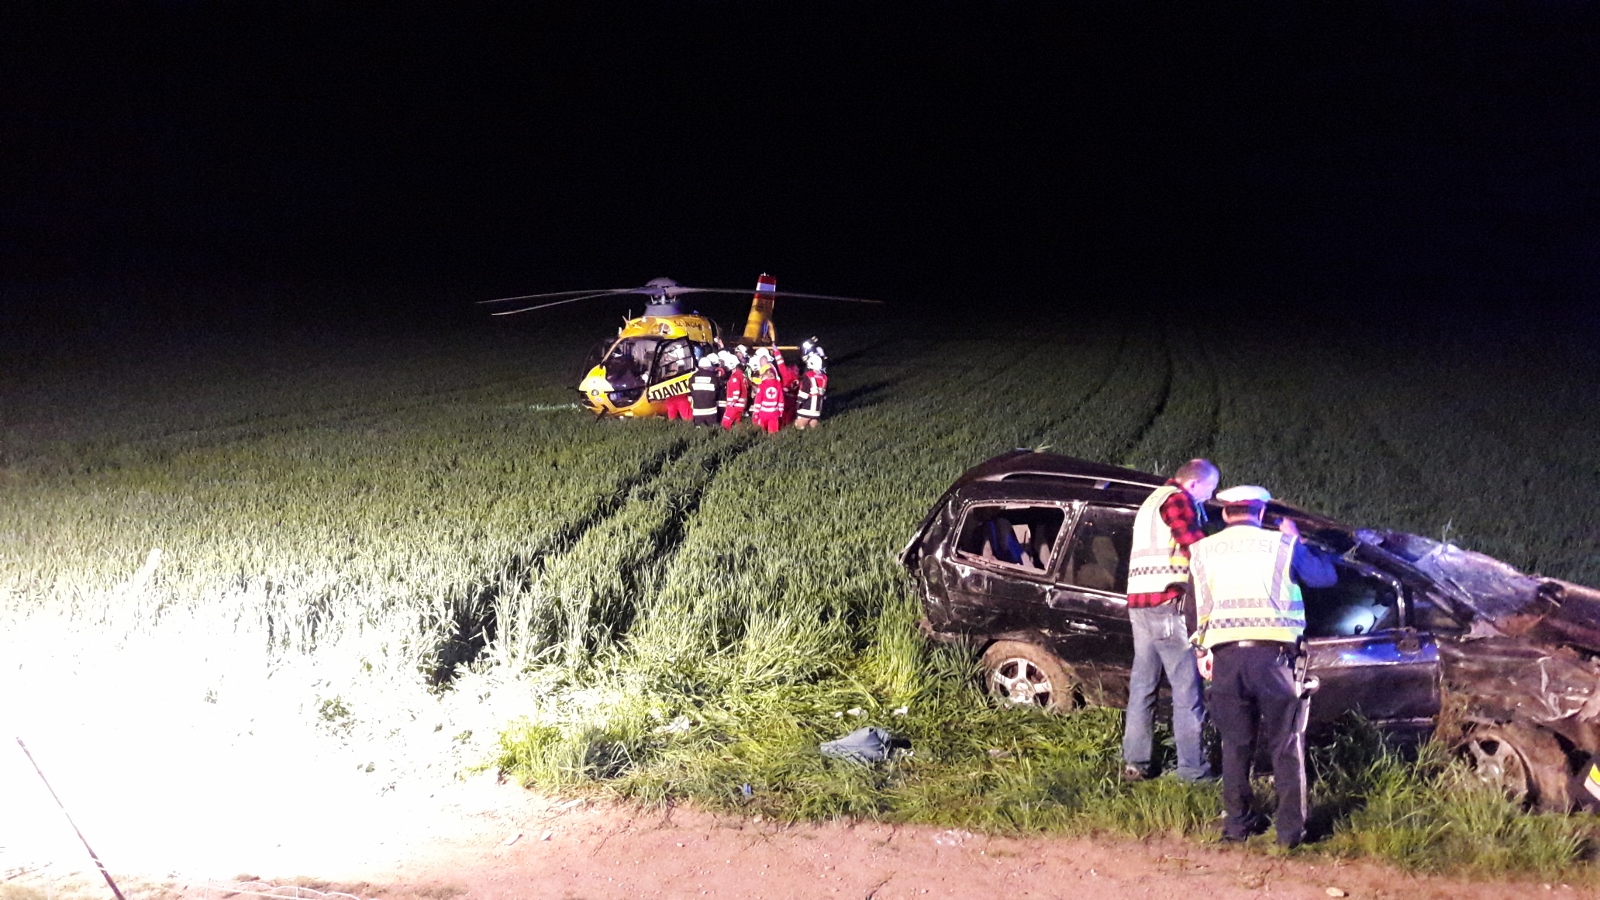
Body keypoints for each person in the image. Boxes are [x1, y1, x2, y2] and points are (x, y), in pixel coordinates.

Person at [1189, 485, 1338, 848]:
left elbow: (1195, 607)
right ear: (1261, 513)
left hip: (1226, 659)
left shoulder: (1203, 550)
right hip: (1275, 660)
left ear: (1226, 513)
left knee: (1234, 745)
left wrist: (1201, 651)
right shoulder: (1282, 545)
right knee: (1285, 744)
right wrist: (1297, 539)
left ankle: (1236, 827)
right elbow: (1325, 578)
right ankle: (1290, 833)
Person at [1121, 458, 1219, 783]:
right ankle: (1192, 771)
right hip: (1167, 602)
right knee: (1186, 690)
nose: (1210, 496)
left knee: (1143, 686)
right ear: (1194, 483)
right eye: (1210, 489)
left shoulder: (1151, 502)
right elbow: (1196, 547)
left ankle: (1136, 763)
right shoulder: (1178, 500)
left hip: (1139, 604)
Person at [750, 352, 785, 434]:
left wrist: (756, 412)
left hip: (763, 412)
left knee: (760, 429)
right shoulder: (778, 384)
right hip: (774, 412)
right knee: (773, 431)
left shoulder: (762, 385)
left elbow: (758, 400)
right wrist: (781, 411)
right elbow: (781, 399)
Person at [794, 350, 829, 429]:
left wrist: (799, 402)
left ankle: (802, 427)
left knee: (799, 423)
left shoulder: (808, 376)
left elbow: (804, 391)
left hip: (807, 406)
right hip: (818, 407)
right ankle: (815, 428)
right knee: (814, 421)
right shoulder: (824, 377)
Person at [689, 354, 722, 426]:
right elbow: (718, 390)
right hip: (711, 410)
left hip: (697, 410)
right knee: (712, 428)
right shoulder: (714, 377)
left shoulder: (693, 377)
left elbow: (690, 390)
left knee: (698, 429)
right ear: (709, 366)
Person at [720, 352, 750, 429]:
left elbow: (737, 390)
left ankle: (725, 435)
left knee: (725, 422)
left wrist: (733, 402)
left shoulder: (735, 377)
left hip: (734, 405)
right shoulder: (742, 375)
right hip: (741, 405)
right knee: (737, 423)